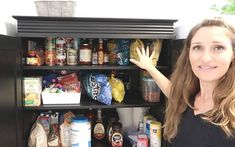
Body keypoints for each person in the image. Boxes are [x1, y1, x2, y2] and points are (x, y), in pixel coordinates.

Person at [130, 17, 235, 147]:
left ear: (233, 54)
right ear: (188, 54)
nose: (206, 58)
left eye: (218, 48)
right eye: (198, 47)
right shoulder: (187, 100)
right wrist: (149, 67)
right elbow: (171, 91)